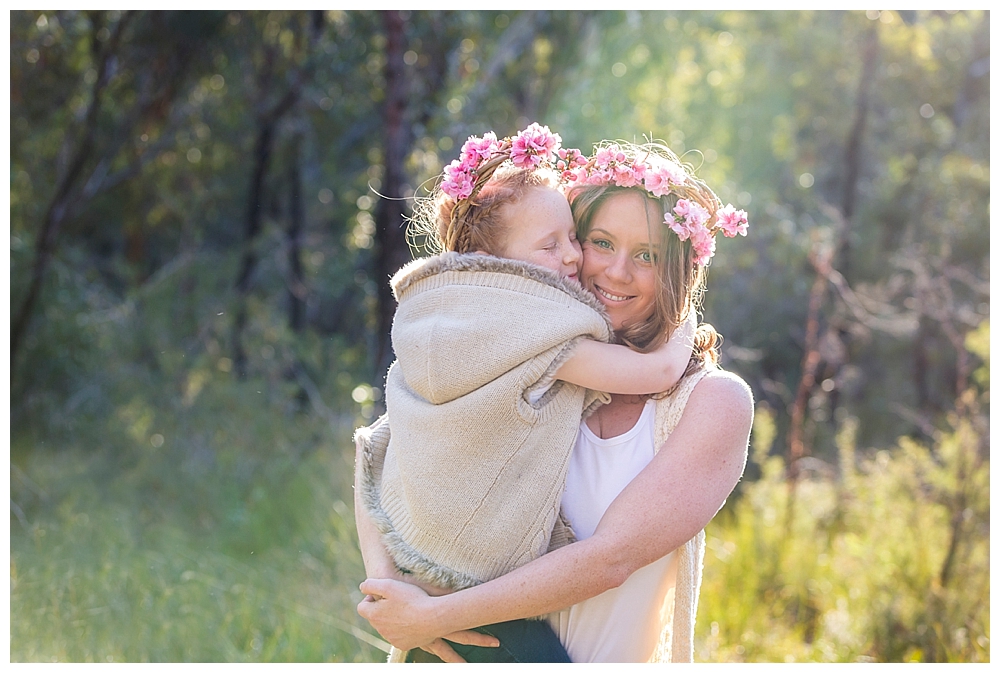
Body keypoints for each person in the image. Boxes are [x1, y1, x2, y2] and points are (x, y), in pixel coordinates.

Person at [356, 137, 754, 663]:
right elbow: (380, 448)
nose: (616, 271)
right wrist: (391, 596)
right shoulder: (524, 359)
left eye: (648, 255)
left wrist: (436, 617)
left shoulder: (712, 402)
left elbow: (609, 559)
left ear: (680, 270)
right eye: (601, 242)